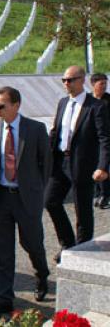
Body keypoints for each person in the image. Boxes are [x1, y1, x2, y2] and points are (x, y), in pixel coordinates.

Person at [0, 86, 51, 314]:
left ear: (16, 105)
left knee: (32, 243)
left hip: (26, 198)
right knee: (3, 251)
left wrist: (35, 191)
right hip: (2, 197)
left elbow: (46, 164)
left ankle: (41, 275)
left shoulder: (35, 129)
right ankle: (3, 298)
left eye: (1, 106)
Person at [45, 65, 110, 264]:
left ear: (82, 80)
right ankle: (67, 243)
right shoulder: (63, 103)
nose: (66, 83)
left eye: (70, 80)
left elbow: (105, 139)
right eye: (64, 80)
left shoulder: (96, 107)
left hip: (83, 164)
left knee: (82, 209)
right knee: (51, 201)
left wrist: (103, 166)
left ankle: (83, 248)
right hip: (60, 162)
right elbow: (56, 132)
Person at [91, 73, 110, 209]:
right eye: (101, 83)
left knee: (103, 166)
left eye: (105, 83)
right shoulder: (88, 100)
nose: (104, 86)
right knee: (94, 165)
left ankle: (105, 194)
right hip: (91, 139)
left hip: (106, 139)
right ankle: (98, 193)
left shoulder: (108, 100)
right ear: (93, 84)